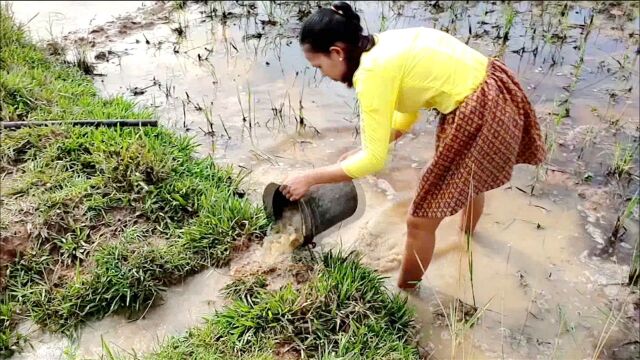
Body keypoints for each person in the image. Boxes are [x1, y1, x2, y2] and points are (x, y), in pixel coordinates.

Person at [279, 1, 546, 289]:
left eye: (319, 66)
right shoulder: (383, 45)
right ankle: (467, 243)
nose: (322, 74)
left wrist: (310, 178)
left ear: (337, 52)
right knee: (471, 181)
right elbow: (409, 108)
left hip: (476, 109)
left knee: (420, 220)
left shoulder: (371, 74)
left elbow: (373, 162)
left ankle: (407, 293)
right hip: (493, 88)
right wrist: (367, 148)